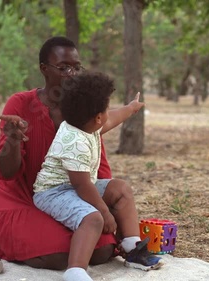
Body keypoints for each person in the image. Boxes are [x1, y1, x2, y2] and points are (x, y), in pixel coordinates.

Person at [0, 37, 129, 272]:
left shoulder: (84, 109)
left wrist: (104, 208)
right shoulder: (20, 104)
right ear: (44, 69)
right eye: (63, 68)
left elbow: (96, 163)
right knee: (61, 252)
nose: (72, 74)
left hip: (70, 198)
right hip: (23, 200)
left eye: (76, 67)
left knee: (102, 250)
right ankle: (2, 249)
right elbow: (7, 173)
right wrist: (12, 141)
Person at [32, 71, 162, 280]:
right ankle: (76, 271)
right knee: (93, 219)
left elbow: (111, 120)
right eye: (107, 108)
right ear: (98, 117)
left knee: (121, 189)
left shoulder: (86, 124)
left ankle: (131, 247)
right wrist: (105, 212)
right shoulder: (74, 142)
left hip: (78, 185)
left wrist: (130, 108)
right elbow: (82, 186)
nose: (109, 113)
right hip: (53, 192)